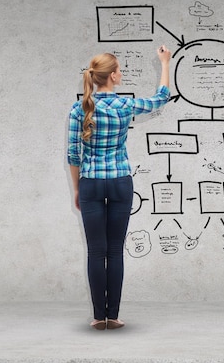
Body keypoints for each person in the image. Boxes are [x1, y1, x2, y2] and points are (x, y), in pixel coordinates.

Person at [67, 45, 172, 330]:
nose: (121, 73)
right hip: (120, 182)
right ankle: (113, 316)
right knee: (114, 250)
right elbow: (161, 98)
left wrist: (78, 189)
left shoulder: (80, 108)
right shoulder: (126, 105)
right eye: (119, 70)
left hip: (90, 183)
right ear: (112, 77)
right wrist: (165, 63)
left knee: (95, 251)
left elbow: (73, 156)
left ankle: (98, 317)